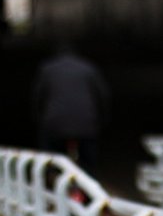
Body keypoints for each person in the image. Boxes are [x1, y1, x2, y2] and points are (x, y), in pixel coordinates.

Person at [32, 40, 111, 176]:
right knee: (88, 160)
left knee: (52, 157)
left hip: (55, 125)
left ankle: (53, 176)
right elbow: (103, 96)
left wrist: (39, 118)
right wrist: (102, 120)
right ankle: (89, 179)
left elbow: (37, 97)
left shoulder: (47, 69)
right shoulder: (88, 67)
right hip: (86, 125)